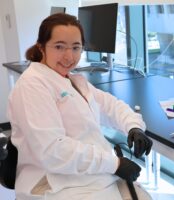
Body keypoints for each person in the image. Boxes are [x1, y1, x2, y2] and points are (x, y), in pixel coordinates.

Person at [7, 13, 153, 200]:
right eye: (59, 47)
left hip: (88, 175)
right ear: (41, 47)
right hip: (53, 183)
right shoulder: (32, 85)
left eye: (76, 47)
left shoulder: (72, 80)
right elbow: (52, 150)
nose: (69, 56)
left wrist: (134, 127)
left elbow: (111, 106)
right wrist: (114, 164)